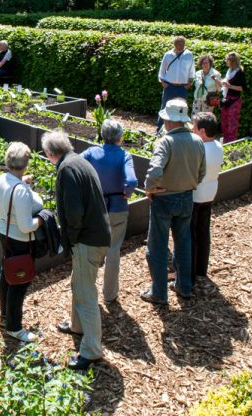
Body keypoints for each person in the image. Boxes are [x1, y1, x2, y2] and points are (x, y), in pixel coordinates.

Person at [42, 129, 110, 371]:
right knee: (79, 282)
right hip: (97, 235)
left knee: (85, 294)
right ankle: (77, 325)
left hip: (87, 239)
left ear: (51, 153)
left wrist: (67, 242)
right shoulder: (79, 160)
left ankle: (91, 350)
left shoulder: (67, 170)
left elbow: (73, 214)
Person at [141, 99, 206, 305]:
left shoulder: (165, 142)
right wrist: (189, 183)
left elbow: (155, 171)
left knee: (157, 246)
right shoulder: (197, 141)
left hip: (164, 200)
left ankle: (159, 293)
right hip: (187, 198)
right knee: (183, 242)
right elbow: (202, 172)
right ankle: (184, 286)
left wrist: (150, 189)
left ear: (168, 120)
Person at [80, 119, 138, 304]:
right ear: (120, 137)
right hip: (118, 208)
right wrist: (126, 193)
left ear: (102, 135)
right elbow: (132, 181)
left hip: (96, 209)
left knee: (92, 251)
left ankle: (88, 292)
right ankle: (110, 295)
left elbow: (74, 165)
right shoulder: (125, 156)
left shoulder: (91, 153)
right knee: (113, 252)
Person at [0, 142, 42, 343]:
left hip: (3, 232)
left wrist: (23, 182)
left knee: (7, 271)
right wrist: (42, 220)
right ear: (25, 163)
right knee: (19, 281)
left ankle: (5, 312)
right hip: (20, 239)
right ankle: (14, 327)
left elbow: (13, 195)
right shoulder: (21, 191)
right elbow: (26, 226)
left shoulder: (3, 179)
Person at [191, 112, 223, 286]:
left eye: (194, 127)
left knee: (191, 234)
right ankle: (201, 269)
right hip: (210, 194)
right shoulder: (218, 146)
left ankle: (190, 272)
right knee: (203, 232)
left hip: (196, 196)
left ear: (202, 131)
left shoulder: (200, 149)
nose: (192, 130)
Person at [157, 36, 195, 131]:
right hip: (169, 86)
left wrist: (189, 83)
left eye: (182, 44)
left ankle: (181, 129)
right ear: (174, 44)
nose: (180, 46)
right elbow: (162, 70)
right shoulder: (168, 54)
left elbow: (192, 70)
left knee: (182, 108)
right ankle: (160, 129)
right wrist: (162, 82)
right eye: (178, 44)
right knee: (165, 107)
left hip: (182, 87)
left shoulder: (189, 55)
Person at [219, 51, 247, 143]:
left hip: (234, 100)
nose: (226, 61)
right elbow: (225, 85)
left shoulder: (240, 72)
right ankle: (226, 142)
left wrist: (229, 86)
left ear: (233, 61)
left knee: (232, 124)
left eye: (227, 60)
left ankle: (231, 143)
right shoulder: (229, 71)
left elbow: (242, 88)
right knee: (224, 123)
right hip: (226, 99)